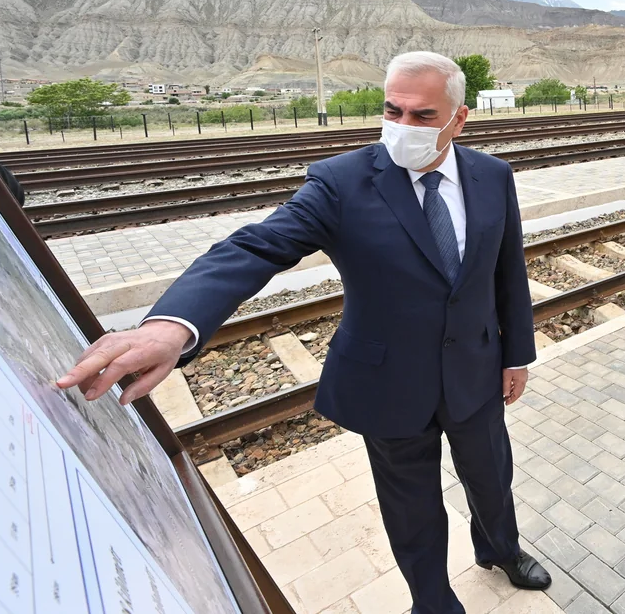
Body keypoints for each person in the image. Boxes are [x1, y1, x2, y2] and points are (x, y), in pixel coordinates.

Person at [57, 52, 551, 614]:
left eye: (423, 115)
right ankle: (433, 601)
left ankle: (502, 550)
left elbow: (506, 271)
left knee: (491, 477)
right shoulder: (342, 182)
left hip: (477, 372)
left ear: (459, 119)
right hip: (388, 382)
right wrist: (174, 324)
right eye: (393, 111)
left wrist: (517, 355)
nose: (403, 127)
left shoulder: (492, 176)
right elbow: (255, 245)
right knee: (410, 507)